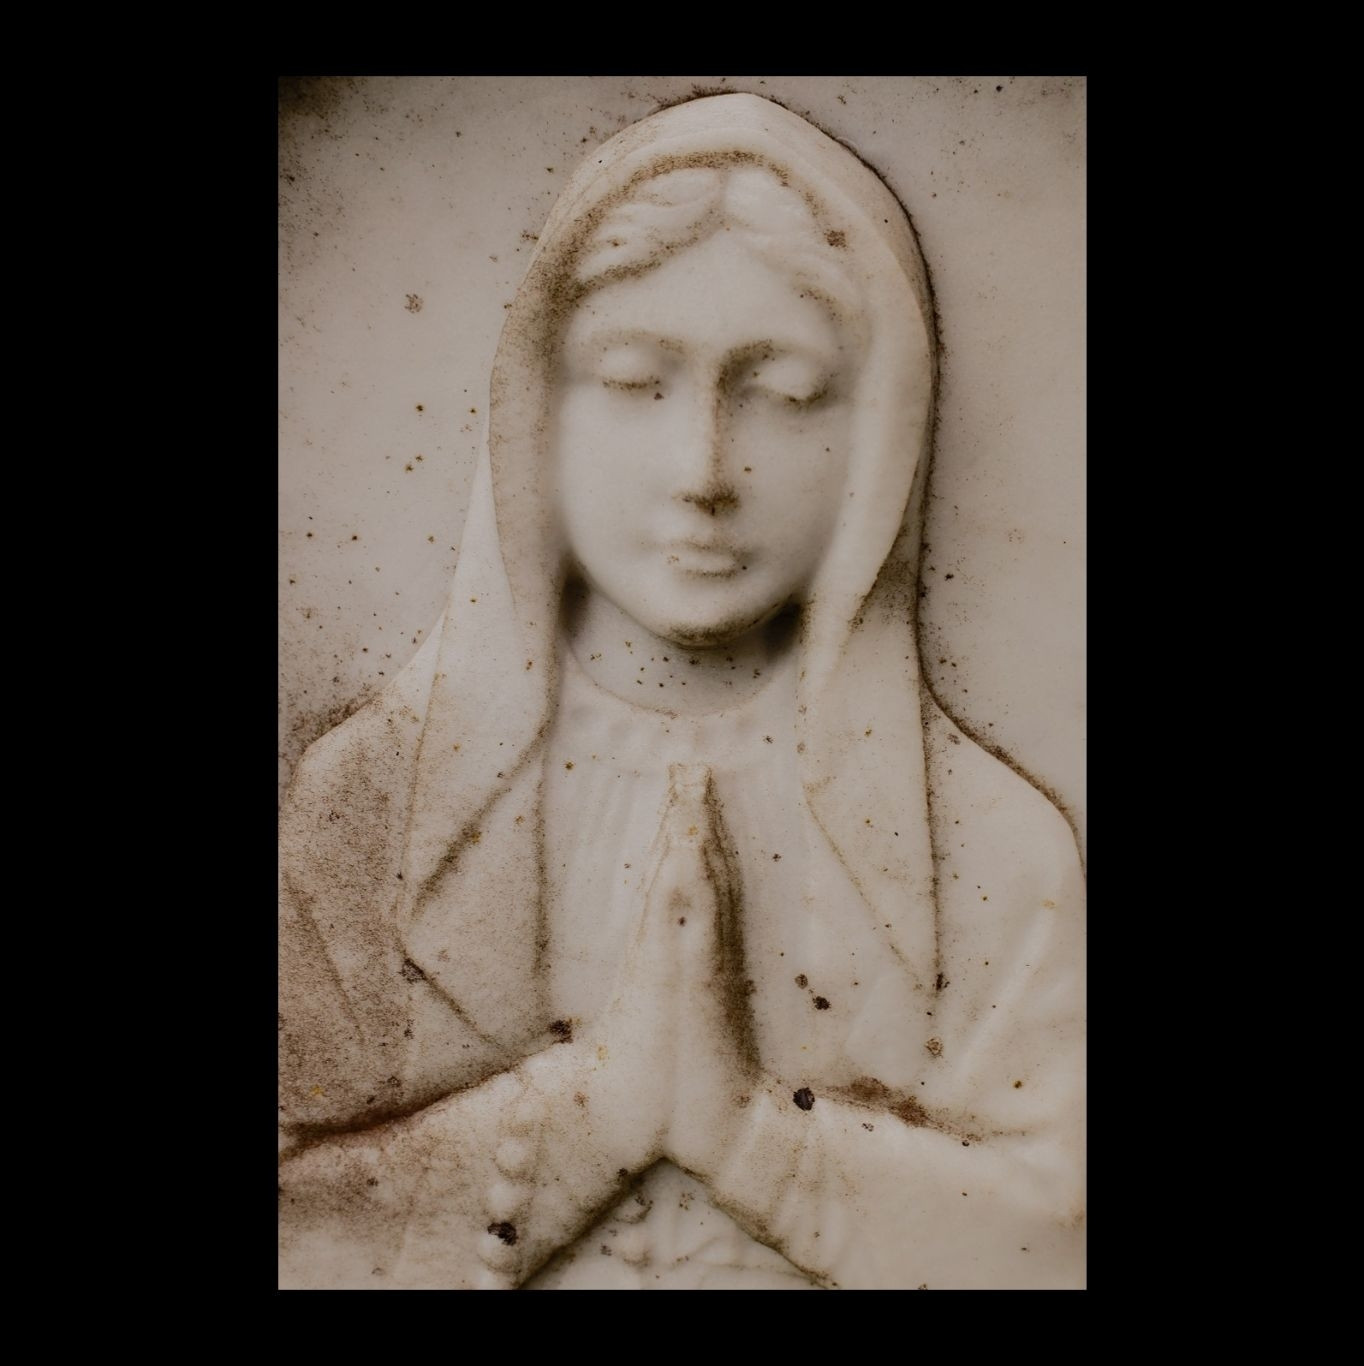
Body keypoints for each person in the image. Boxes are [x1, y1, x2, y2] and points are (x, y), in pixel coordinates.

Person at [278, 93, 1084, 1291]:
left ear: (879, 439)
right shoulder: (376, 806)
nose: (703, 469)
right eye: (633, 380)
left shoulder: (987, 842)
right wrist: (592, 1112)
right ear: (535, 416)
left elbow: (1050, 1233)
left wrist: (749, 1139)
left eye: (787, 392)